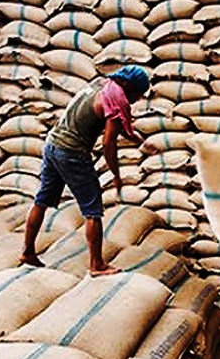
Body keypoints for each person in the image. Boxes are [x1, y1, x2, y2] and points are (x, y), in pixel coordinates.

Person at [20, 65, 152, 276]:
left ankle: (27, 252)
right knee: (93, 210)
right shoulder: (117, 101)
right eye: (138, 94)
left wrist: (139, 141)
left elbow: (119, 127)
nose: (137, 99)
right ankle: (97, 265)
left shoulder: (103, 85)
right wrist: (116, 175)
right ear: (129, 87)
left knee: (42, 200)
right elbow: (109, 143)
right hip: (72, 152)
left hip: (53, 145)